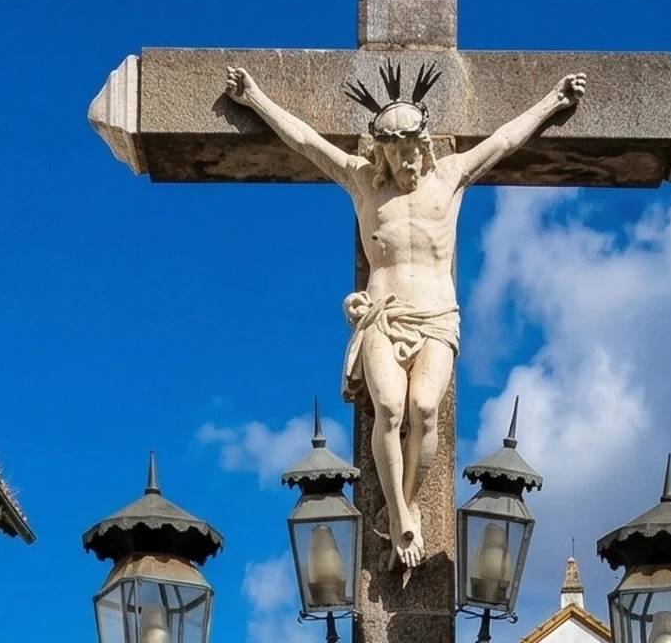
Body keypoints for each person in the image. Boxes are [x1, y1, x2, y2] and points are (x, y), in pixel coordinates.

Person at [223, 62, 585, 567]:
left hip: (437, 315)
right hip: (383, 314)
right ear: (382, 152)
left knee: (424, 410)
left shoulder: (452, 176)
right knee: (389, 409)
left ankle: (410, 500)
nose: (405, 162)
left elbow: (503, 142)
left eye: (412, 151)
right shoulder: (364, 184)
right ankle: (399, 515)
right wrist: (255, 98)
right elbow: (306, 142)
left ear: (426, 144)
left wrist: (553, 102)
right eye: (395, 153)